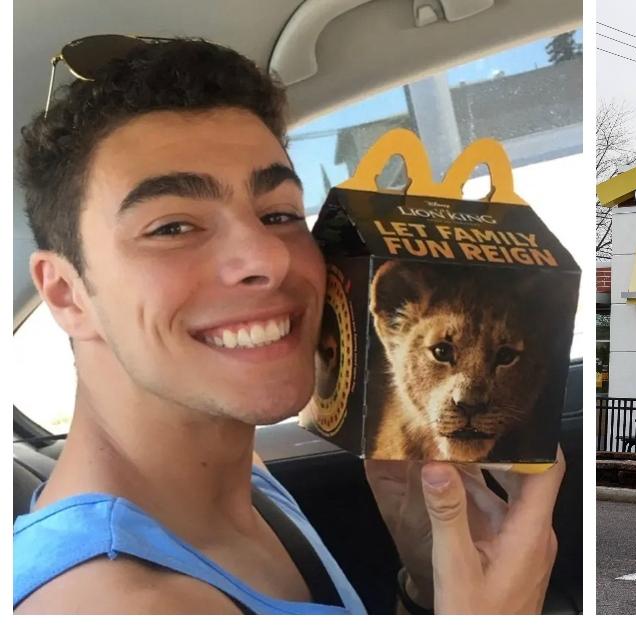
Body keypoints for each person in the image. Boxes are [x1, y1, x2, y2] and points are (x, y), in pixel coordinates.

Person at [12, 37, 563, 614]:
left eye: (278, 213)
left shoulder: (234, 480)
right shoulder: (112, 606)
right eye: (172, 227)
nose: (268, 258)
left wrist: (426, 591)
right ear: (65, 293)